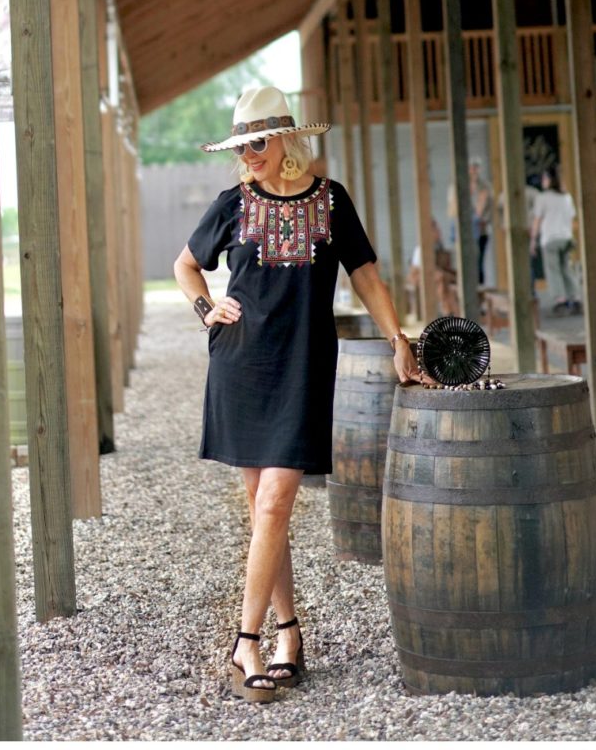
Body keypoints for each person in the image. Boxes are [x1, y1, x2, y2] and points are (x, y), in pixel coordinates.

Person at [173, 86, 420, 703]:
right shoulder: (233, 203)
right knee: (266, 510)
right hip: (241, 364)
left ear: (286, 138)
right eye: (240, 146)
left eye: (257, 142)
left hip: (304, 366)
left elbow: (364, 272)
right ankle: (289, 633)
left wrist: (397, 337)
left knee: (276, 502)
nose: (249, 155)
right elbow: (186, 265)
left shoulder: (331, 201)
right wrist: (208, 308)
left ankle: (244, 642)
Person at [530, 165, 580, 315]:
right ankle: (575, 297)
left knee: (553, 270)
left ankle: (561, 299)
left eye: (544, 178)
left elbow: (537, 220)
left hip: (550, 238)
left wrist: (533, 240)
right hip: (566, 237)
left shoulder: (543, 198)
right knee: (566, 268)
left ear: (549, 180)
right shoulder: (566, 197)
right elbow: (573, 220)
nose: (542, 181)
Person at [447, 158, 493, 286]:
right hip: (462, 232)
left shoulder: (485, 186)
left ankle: (479, 291)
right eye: (471, 167)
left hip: (480, 231)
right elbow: (452, 211)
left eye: (476, 167)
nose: (474, 171)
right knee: (464, 263)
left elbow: (487, 211)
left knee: (478, 263)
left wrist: (482, 214)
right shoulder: (456, 187)